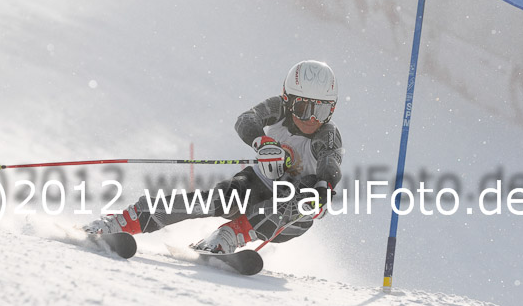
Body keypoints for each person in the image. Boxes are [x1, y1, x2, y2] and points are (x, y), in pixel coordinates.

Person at [84, 60, 343, 253]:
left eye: (320, 111)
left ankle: (228, 237)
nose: (311, 118)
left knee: (298, 197)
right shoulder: (279, 109)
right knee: (213, 200)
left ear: (331, 111)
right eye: (302, 107)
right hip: (257, 184)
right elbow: (246, 120)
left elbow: (330, 164)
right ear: (288, 100)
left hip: (292, 216)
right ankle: (123, 221)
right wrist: (262, 143)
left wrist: (323, 190)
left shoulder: (326, 135)